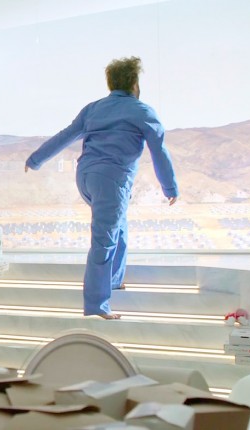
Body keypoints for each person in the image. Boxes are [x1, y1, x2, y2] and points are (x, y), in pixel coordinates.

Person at [25, 56, 179, 319]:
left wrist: (36, 159)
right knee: (104, 240)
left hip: (86, 177)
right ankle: (97, 306)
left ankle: (114, 281)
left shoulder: (93, 109)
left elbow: (66, 135)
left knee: (119, 227)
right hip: (111, 180)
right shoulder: (142, 111)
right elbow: (159, 151)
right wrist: (170, 187)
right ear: (134, 83)